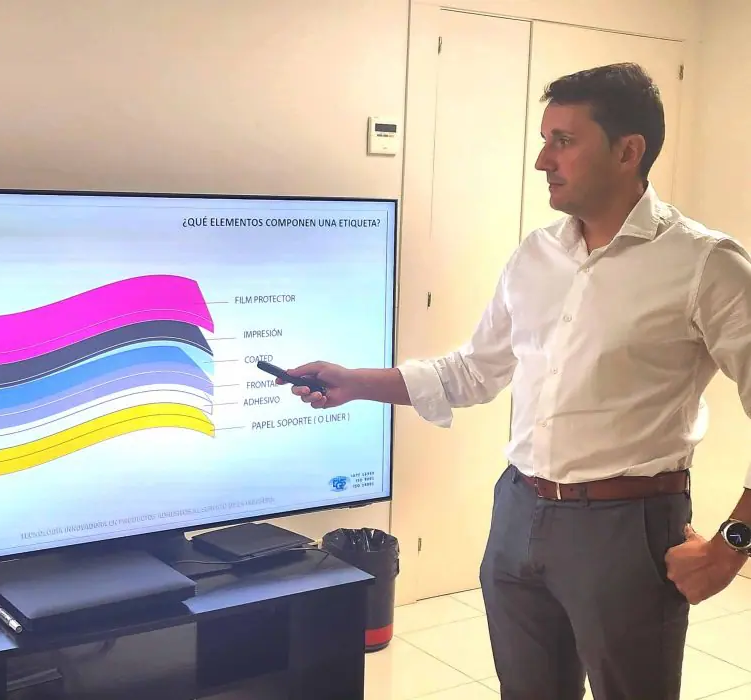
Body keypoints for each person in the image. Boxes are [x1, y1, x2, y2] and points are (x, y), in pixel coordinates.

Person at [281, 63, 751, 700]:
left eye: (564, 140)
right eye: (544, 140)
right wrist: (354, 382)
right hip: (518, 512)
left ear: (628, 151)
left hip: (628, 527)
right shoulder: (536, 254)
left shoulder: (704, 263)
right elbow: (473, 370)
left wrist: (732, 545)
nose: (542, 160)